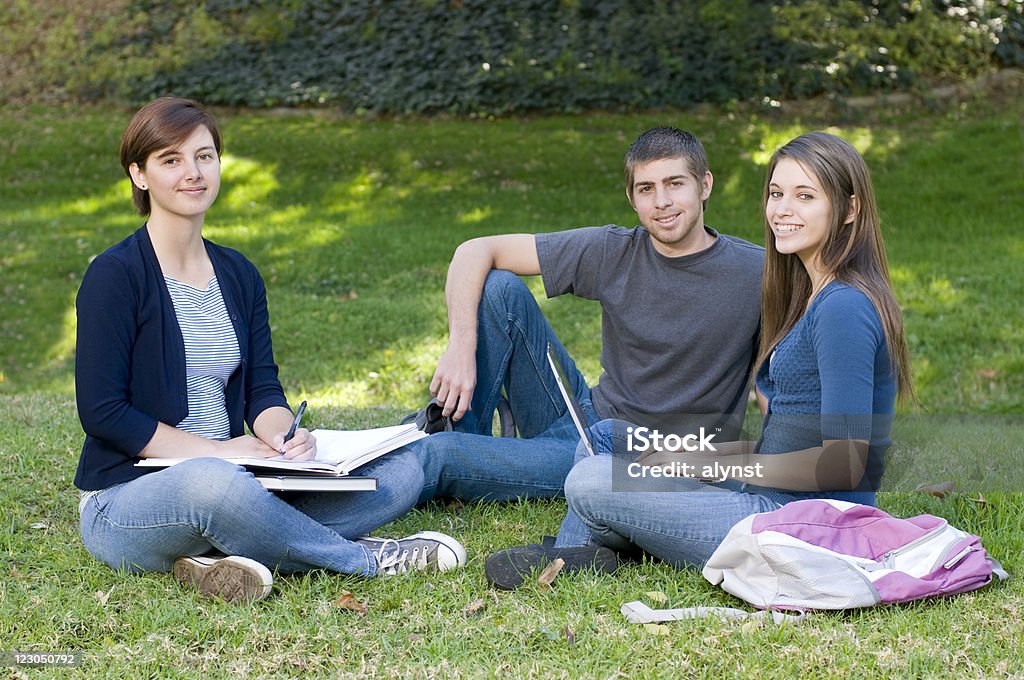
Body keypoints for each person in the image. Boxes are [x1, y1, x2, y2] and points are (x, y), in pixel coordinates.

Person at [74, 97, 465, 603]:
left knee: (402, 471)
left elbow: (262, 388)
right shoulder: (115, 276)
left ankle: (221, 554)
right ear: (140, 175)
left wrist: (285, 437)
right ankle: (366, 559)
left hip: (244, 480)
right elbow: (104, 413)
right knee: (216, 489)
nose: (192, 172)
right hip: (129, 501)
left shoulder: (238, 274)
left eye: (204, 156)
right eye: (171, 160)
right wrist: (218, 454)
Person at [485, 131, 914, 589]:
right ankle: (589, 550)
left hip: (798, 529)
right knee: (607, 439)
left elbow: (844, 464)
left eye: (805, 196)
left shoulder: (843, 307)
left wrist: (709, 466)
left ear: (849, 209)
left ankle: (573, 555)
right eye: (776, 193)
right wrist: (689, 457)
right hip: (767, 497)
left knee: (591, 480)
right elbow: (782, 448)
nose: (783, 210)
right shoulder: (813, 296)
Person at [408, 127, 764, 573]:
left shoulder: (756, 272)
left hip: (634, 455)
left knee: (440, 456)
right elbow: (475, 250)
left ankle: (444, 455)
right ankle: (463, 431)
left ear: (704, 185)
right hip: (584, 417)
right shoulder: (616, 250)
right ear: (632, 198)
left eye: (676, 184)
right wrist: (461, 344)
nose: (662, 202)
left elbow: (781, 373)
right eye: (646, 189)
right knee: (498, 288)